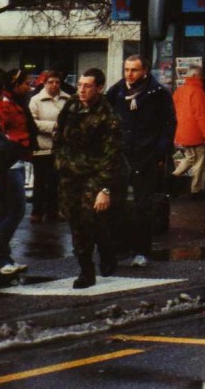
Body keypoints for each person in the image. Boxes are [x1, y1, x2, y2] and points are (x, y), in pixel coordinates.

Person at [54, 68, 125, 289]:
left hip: (94, 174)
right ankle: (89, 262)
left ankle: (96, 262)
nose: (82, 90)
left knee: (89, 219)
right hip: (70, 174)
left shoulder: (108, 116)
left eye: (87, 86)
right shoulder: (72, 105)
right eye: (80, 85)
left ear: (100, 88)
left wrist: (105, 188)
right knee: (75, 219)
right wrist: (59, 161)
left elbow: (111, 154)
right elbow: (60, 133)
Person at [105, 55, 176, 268]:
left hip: (145, 155)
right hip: (120, 154)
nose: (129, 74)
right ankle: (119, 248)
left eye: (134, 70)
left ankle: (141, 251)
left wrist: (160, 153)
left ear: (144, 71)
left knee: (142, 205)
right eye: (126, 69)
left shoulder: (157, 93)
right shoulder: (116, 92)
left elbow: (168, 124)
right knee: (116, 202)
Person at [0, 69, 33, 279]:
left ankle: (2, 256)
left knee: (5, 211)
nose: (29, 87)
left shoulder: (7, 103)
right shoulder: (0, 104)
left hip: (10, 159)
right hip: (6, 162)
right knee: (14, 210)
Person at [29, 70, 70, 223]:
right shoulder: (35, 100)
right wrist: (54, 126)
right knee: (40, 181)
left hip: (62, 147)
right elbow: (33, 122)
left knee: (57, 181)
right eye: (50, 82)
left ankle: (53, 210)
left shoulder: (67, 99)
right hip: (43, 146)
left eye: (57, 82)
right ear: (44, 83)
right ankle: (37, 211)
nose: (54, 85)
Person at [172, 66, 205, 197]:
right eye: (201, 76)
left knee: (190, 157)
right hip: (196, 134)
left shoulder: (179, 90)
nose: (203, 78)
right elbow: (202, 116)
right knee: (200, 161)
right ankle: (197, 189)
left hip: (182, 132)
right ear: (196, 76)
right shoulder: (199, 92)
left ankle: (174, 176)